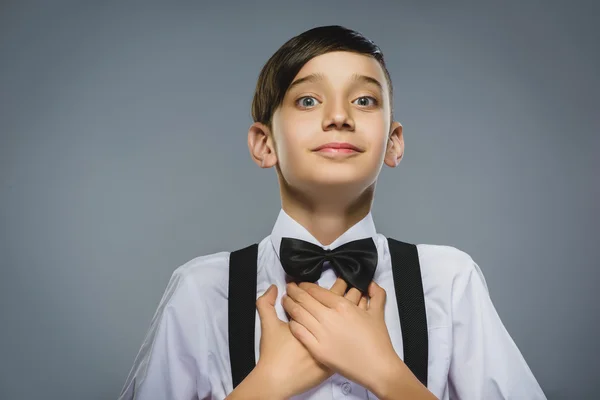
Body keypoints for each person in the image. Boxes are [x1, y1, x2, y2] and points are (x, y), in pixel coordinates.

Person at [118, 25, 546, 400]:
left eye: (364, 100)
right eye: (307, 100)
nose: (339, 116)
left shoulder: (450, 281)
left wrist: (387, 373)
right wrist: (265, 385)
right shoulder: (202, 290)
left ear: (393, 143)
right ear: (264, 144)